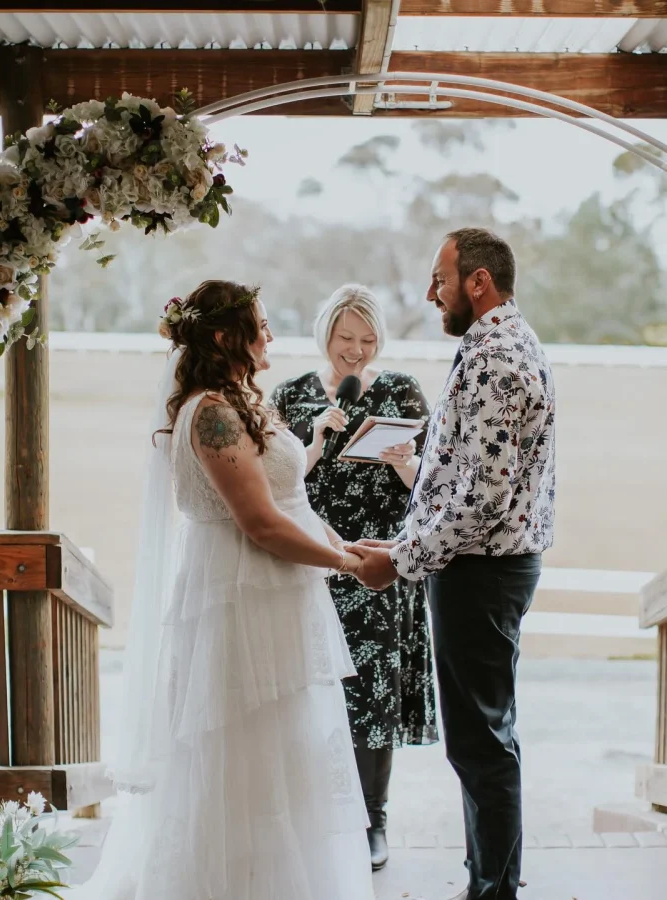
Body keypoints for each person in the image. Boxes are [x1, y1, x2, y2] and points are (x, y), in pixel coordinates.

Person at [74, 280, 374, 900]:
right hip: (239, 603)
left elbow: (291, 501)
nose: (269, 335)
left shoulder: (241, 403)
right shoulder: (210, 413)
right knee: (240, 754)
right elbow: (261, 524)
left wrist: (346, 546)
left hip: (279, 601)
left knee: (283, 757)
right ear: (221, 337)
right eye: (259, 324)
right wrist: (347, 569)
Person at [349, 230, 557, 900]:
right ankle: (489, 881)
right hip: (481, 568)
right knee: (485, 740)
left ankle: (492, 892)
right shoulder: (501, 344)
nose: (429, 292)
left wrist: (401, 560)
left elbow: (485, 496)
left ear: (478, 282)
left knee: (481, 746)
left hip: (481, 573)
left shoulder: (495, 356)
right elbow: (464, 477)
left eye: (440, 278)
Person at [270, 284, 438, 871]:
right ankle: (315, 814)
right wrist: (315, 441)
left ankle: (374, 819)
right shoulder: (289, 396)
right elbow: (274, 487)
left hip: (378, 565)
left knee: (373, 695)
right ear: (326, 335)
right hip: (311, 558)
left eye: (368, 341)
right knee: (309, 690)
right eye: (346, 338)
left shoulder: (401, 392)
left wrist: (406, 464)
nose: (356, 351)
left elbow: (434, 489)